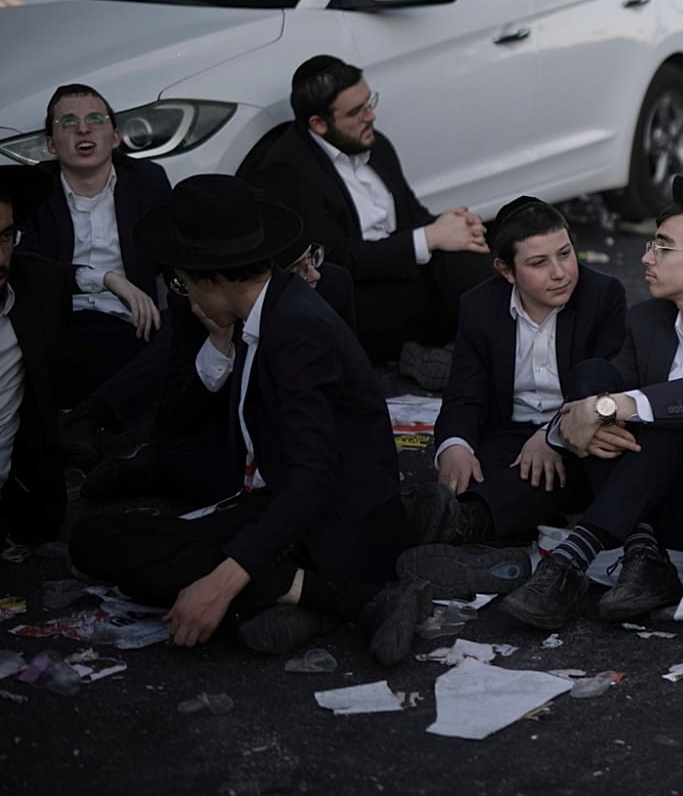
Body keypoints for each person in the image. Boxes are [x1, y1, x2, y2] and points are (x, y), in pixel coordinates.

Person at [67, 176, 428, 664]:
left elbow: (313, 480)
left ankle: (349, 599)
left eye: (185, 282)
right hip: (273, 501)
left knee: (182, 571)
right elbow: (178, 418)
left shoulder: (297, 328)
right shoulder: (260, 311)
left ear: (212, 279)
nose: (185, 295)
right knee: (96, 539)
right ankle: (304, 598)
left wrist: (221, 582)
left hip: (334, 524)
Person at [413, 178, 683, 629]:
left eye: (662, 248)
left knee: (669, 418)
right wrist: (573, 420)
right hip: (643, 495)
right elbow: (601, 390)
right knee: (591, 379)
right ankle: (641, 555)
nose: (646, 257)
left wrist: (607, 410)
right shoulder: (648, 318)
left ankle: (572, 557)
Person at [405, 197, 627, 600]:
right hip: (508, 430)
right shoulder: (479, 306)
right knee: (475, 470)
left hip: (578, 430)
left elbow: (606, 386)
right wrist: (454, 446)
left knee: (555, 470)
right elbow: (465, 393)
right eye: (538, 263)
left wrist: (553, 436)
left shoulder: (603, 295)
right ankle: (471, 538)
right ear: (505, 270)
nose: (560, 273)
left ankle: (466, 525)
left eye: (565, 254)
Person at [245, 55, 492, 380]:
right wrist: (431, 237)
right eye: (356, 112)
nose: (371, 116)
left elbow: (410, 213)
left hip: (401, 270)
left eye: (369, 103)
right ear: (318, 124)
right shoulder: (289, 170)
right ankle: (469, 357)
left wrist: (453, 226)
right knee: (460, 277)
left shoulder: (375, 143)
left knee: (479, 253)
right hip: (358, 296)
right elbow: (334, 259)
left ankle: (496, 350)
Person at [72, 229, 357, 507]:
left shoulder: (331, 287)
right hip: (225, 431)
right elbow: (178, 417)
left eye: (313, 258)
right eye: (299, 268)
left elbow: (346, 397)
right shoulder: (196, 303)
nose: (314, 274)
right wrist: (219, 344)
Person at [20, 84, 170, 416]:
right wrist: (105, 279)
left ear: (115, 137)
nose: (83, 129)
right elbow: (25, 263)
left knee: (181, 332)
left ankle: (87, 422)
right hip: (61, 327)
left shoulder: (147, 181)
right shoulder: (34, 190)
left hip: (131, 326)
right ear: (50, 144)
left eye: (95, 119)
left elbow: (173, 254)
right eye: (68, 122)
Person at [0, 166, 66, 544]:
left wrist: (107, 279)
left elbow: (59, 275)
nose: (0, 257)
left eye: (6, 237)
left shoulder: (29, 297)